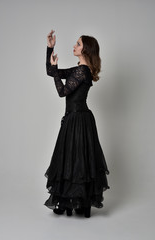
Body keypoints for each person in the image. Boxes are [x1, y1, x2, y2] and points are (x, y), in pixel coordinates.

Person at [44, 29, 110, 218]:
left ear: (86, 50)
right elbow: (51, 71)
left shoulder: (82, 71)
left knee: (75, 160)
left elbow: (62, 91)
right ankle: (77, 202)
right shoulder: (80, 70)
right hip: (76, 118)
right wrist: (50, 48)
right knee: (75, 159)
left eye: (78, 44)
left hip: (77, 119)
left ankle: (72, 201)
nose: (74, 45)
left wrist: (56, 72)